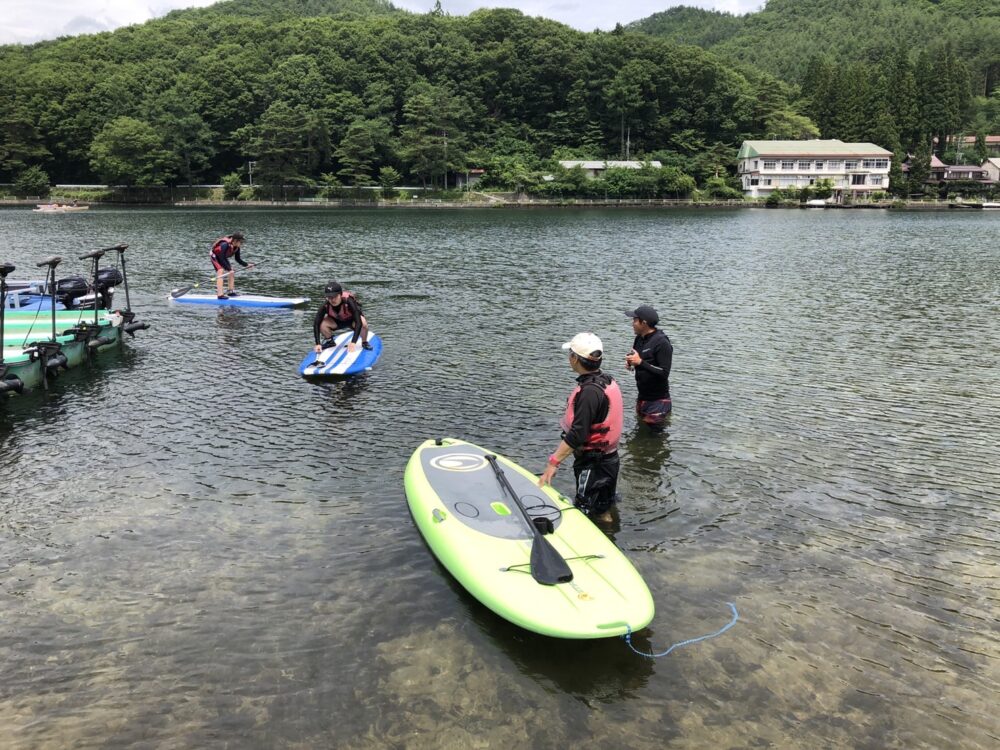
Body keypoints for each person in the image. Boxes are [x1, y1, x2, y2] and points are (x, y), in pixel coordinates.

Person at [538, 332, 624, 524]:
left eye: (570, 354)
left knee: (587, 511)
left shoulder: (589, 393)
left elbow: (578, 434)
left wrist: (553, 464)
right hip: (608, 460)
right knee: (602, 509)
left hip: (595, 465)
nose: (569, 357)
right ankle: (611, 534)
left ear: (575, 358)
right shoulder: (606, 381)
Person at [624, 305, 673, 431]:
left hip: (658, 402)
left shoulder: (662, 343)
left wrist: (640, 363)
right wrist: (631, 364)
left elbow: (664, 373)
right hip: (642, 398)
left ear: (644, 323)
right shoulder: (639, 339)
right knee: (641, 433)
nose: (632, 323)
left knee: (654, 438)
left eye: (635, 320)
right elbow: (638, 358)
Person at [312, 281, 372, 353]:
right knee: (322, 324)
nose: (332, 300)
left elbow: (358, 322)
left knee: (363, 323)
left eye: (335, 296)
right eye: (329, 297)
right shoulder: (325, 306)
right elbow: (316, 324)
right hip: (336, 322)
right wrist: (318, 343)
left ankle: (364, 342)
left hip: (352, 321)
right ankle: (330, 342)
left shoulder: (349, 301)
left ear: (340, 294)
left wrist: (353, 342)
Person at [210, 232, 252, 299]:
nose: (242, 243)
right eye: (241, 242)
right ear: (235, 240)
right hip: (215, 256)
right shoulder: (225, 244)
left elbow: (237, 259)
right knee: (220, 271)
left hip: (222, 257)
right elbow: (221, 257)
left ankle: (231, 292)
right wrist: (229, 269)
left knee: (232, 271)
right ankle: (220, 295)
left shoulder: (237, 247)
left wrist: (246, 265)